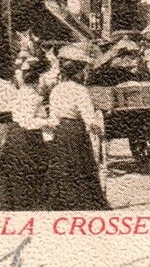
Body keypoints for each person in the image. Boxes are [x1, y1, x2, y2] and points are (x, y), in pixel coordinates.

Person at [45, 43, 110, 211]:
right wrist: (100, 129)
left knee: (62, 168)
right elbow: (89, 119)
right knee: (81, 168)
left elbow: (53, 115)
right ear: (79, 71)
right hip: (76, 132)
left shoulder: (56, 90)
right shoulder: (80, 91)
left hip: (59, 132)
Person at [0, 55, 55, 211]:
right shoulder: (32, 96)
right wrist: (50, 122)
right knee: (30, 175)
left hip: (16, 137)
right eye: (46, 76)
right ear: (39, 78)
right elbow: (27, 122)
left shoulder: (23, 92)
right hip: (25, 139)